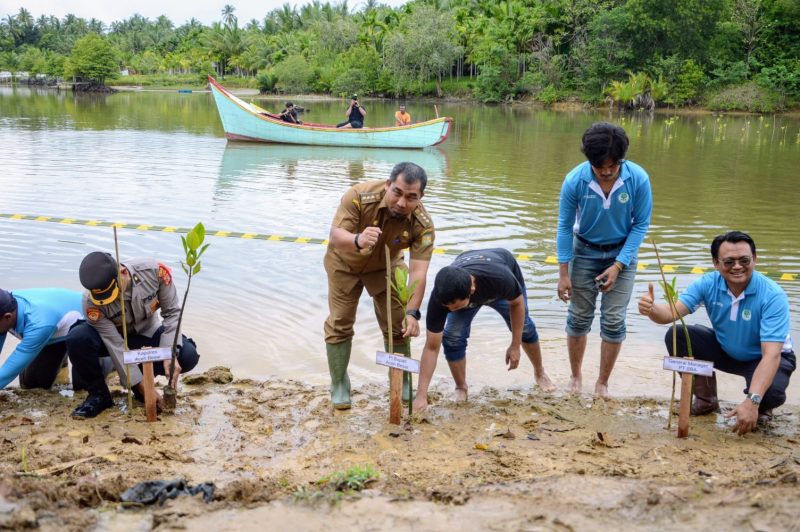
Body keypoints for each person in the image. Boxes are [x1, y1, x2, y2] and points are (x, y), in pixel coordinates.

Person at [638, 231, 795, 436]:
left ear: (754, 260)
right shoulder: (708, 283)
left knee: (769, 394)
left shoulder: (772, 295)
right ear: (716, 263)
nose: (737, 266)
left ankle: (761, 408)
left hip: (766, 358)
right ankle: (706, 400)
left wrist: (753, 400)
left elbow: (771, 354)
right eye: (729, 261)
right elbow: (671, 312)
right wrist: (651, 309)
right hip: (726, 349)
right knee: (677, 334)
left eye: (744, 260)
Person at [324, 162, 434, 409]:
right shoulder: (359, 197)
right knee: (340, 322)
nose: (402, 203)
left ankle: (402, 381)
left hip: (387, 267)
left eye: (411, 197)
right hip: (345, 263)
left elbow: (419, 271)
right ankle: (339, 383)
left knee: (399, 326)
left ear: (420, 197)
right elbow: (335, 236)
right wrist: (358, 239)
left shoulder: (422, 223)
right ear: (388, 185)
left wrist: (413, 312)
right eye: (397, 192)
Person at [556, 122, 652, 398]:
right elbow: (564, 226)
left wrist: (619, 265)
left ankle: (602, 383)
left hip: (622, 253)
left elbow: (641, 224)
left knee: (613, 320)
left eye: (613, 165)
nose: (607, 172)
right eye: (600, 167)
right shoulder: (575, 181)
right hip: (583, 252)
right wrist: (564, 273)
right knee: (578, 317)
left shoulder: (638, 179)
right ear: (590, 161)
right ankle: (575, 377)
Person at [413, 249, 555, 412]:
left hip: (499, 287)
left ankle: (539, 372)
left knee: (525, 329)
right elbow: (431, 347)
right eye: (448, 308)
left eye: (456, 307)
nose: (451, 311)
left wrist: (515, 345)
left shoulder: (500, 278)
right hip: (463, 287)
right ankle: (461, 387)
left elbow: (517, 304)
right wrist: (421, 395)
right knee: (452, 337)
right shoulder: (441, 298)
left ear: (471, 292)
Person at [67, 252, 200, 418]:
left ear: (122, 273)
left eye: (112, 294)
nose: (109, 300)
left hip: (146, 334)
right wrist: (143, 387)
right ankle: (99, 395)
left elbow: (172, 314)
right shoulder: (90, 301)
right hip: (112, 341)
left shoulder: (154, 272)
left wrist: (169, 354)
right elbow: (115, 344)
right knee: (77, 338)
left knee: (187, 355)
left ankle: (141, 384)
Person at [0, 288, 83, 390]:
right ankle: (61, 365)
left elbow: (11, 370)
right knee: (29, 383)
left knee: (82, 387)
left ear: (8, 317)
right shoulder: (6, 305)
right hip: (55, 327)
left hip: (87, 330)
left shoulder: (39, 323)